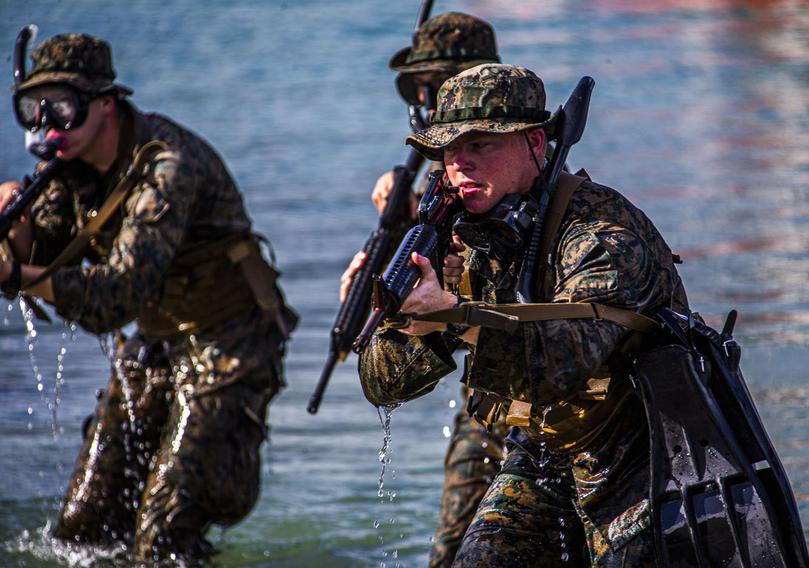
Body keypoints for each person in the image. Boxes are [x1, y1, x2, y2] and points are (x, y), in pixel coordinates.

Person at [358, 63, 689, 566]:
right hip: (543, 454)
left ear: (536, 142)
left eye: (481, 145)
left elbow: (558, 365)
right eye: (449, 150)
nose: (460, 163)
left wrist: (454, 315)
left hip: (642, 453)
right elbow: (382, 384)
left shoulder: (601, 233)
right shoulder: (467, 238)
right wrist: (415, 319)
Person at [0, 33, 296, 561]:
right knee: (81, 526)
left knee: (163, 532)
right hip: (157, 341)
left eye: (63, 107)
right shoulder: (69, 170)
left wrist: (18, 273)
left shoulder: (167, 167)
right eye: (33, 109)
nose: (48, 124)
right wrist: (15, 236)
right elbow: (45, 252)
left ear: (106, 103)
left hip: (231, 339)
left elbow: (115, 297)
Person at [337, 13, 508, 568]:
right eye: (425, 94)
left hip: (560, 402)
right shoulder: (437, 195)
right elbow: (387, 376)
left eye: (444, 88)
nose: (435, 105)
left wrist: (452, 304)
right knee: (453, 552)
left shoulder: (515, 186)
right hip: (489, 398)